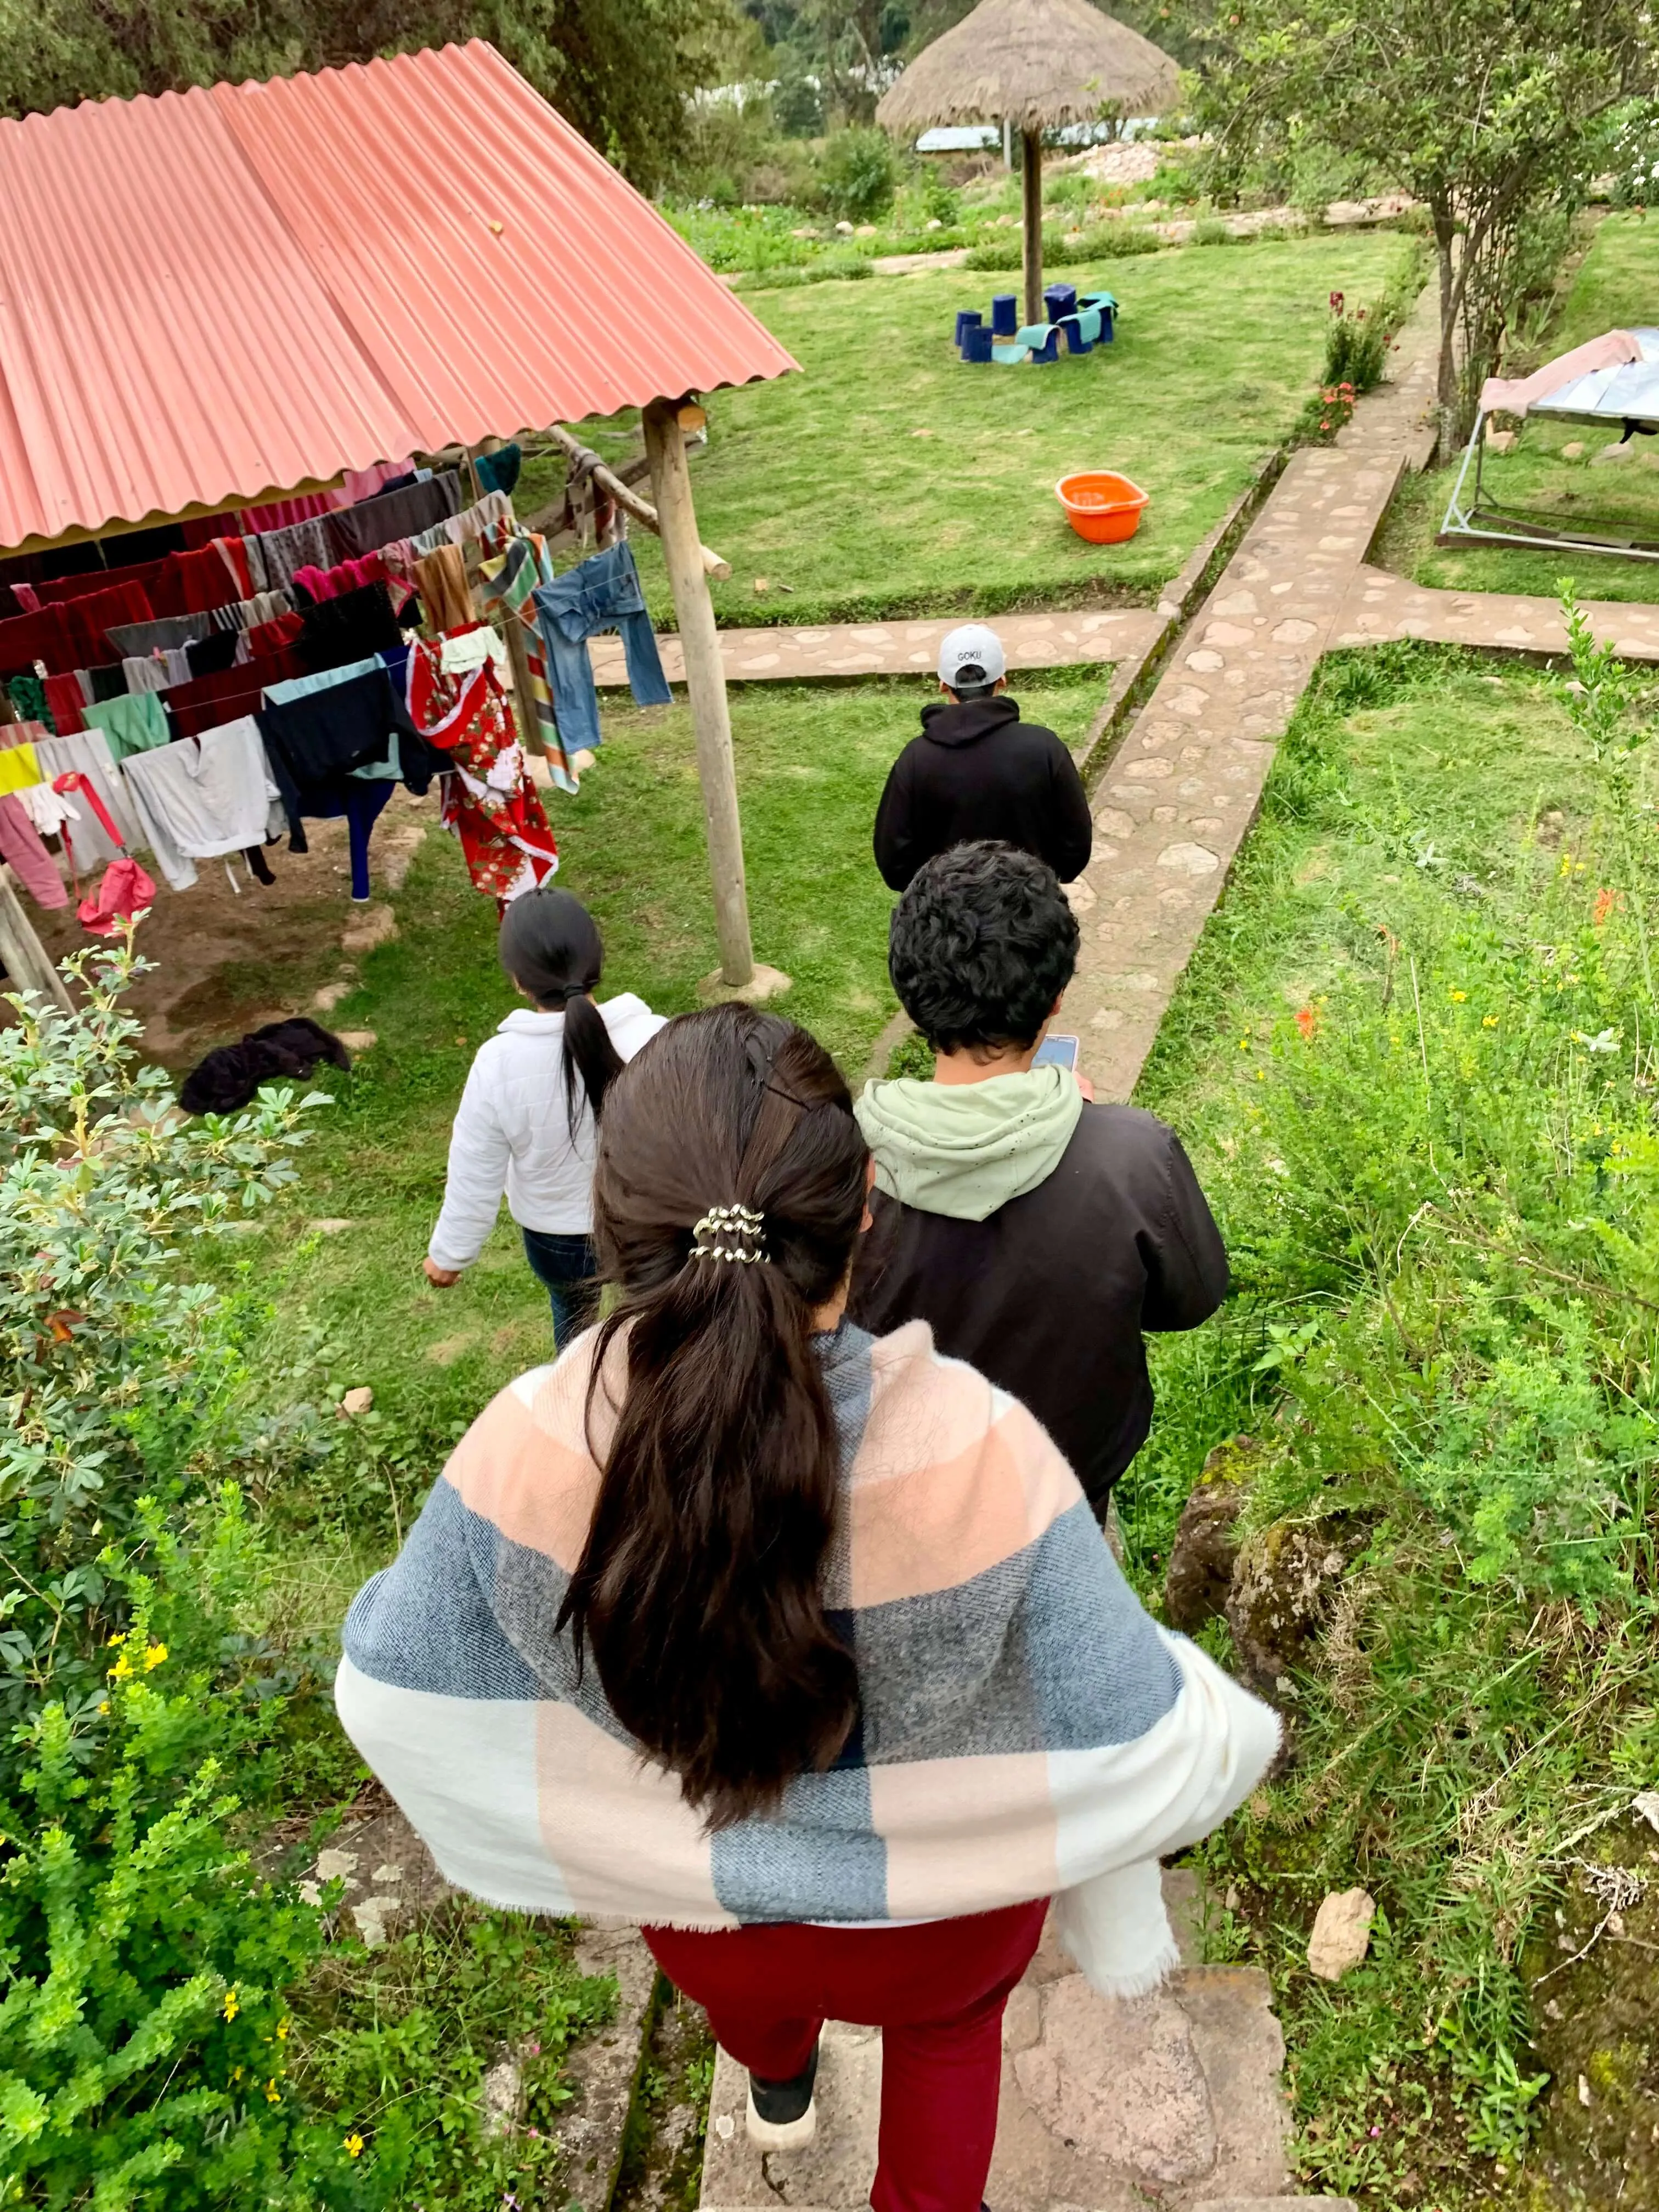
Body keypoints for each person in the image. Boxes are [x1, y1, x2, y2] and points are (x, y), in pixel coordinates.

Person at [339, 1003, 1277, 2212]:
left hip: (701, 1898)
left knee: (757, 2013)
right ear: (866, 1210)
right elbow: (1134, 1718)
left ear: (614, 1229)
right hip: (943, 1917)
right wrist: (1224, 1724)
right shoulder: (985, 1451)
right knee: (946, 2045)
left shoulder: (526, 1447)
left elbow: (389, 1678)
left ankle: (778, 2083)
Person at [851, 842, 1229, 1524]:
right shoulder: (1132, 1156)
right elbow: (1193, 1298)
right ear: (1056, 999)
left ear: (911, 999)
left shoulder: (834, 1173)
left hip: (897, 1518)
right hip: (1067, 1509)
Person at [424, 887, 664, 1345]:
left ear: (518, 978)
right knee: (654, 1317)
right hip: (649, 1221)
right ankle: (655, 1388)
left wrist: (450, 1254)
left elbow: (475, 1169)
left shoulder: (498, 1063)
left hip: (557, 1237)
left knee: (574, 1327)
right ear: (597, 958)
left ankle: (574, 1402)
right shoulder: (661, 1037)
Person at [871, 623, 1092, 891]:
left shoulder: (916, 760)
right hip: (1033, 919)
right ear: (1002, 680)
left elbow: (894, 863)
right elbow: (1075, 849)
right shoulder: (1044, 748)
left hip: (947, 925)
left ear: (943, 685)